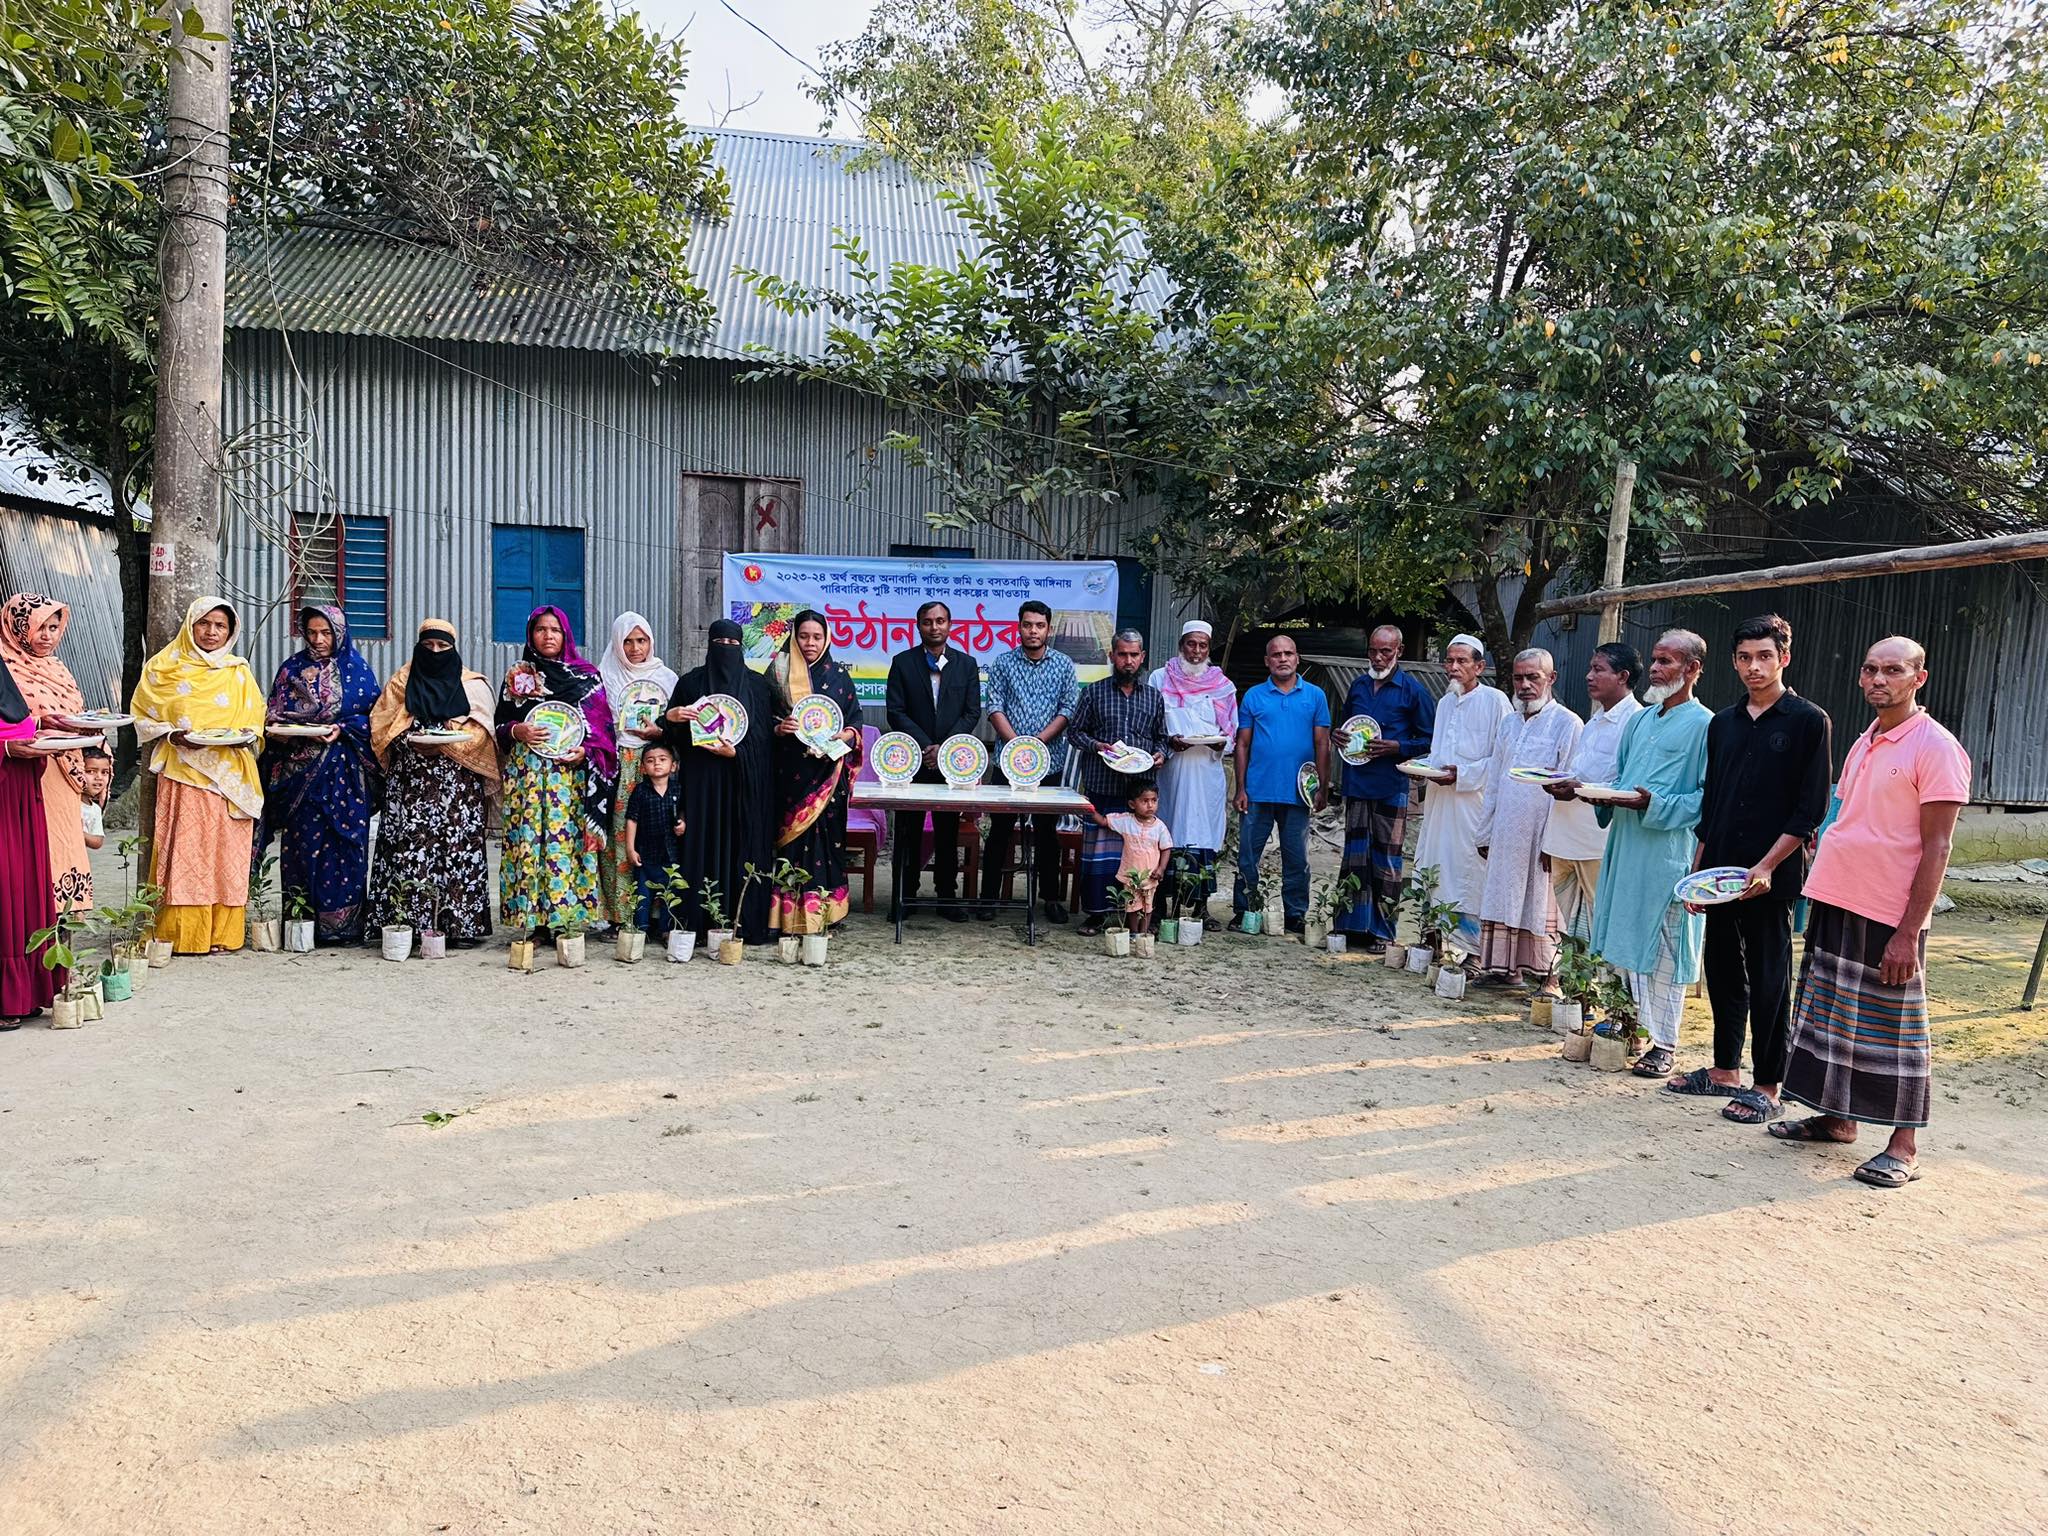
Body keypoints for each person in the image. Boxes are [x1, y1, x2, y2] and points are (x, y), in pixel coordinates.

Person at [1772, 636, 1969, 1190]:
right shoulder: (1867, 738)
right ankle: (1837, 1119)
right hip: (1837, 897)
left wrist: (1909, 931)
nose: (1879, 679)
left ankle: (1904, 1146)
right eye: (1870, 669)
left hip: (1888, 913)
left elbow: (1938, 847)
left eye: (1893, 670)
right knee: (1832, 1017)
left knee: (1895, 1028)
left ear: (1918, 678)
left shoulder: (1936, 747)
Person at [1674, 614, 1831, 1127]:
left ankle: (1768, 1084)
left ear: (1784, 657)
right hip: (1721, 873)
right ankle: (1724, 1070)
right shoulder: (1723, 723)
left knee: (1769, 979)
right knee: (1721, 970)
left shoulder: (1808, 721)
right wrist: (1698, 869)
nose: (1754, 667)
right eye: (1744, 658)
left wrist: (1765, 866)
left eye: (1764, 656)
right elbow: (1713, 802)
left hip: (1772, 875)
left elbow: (1810, 809)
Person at [1570, 631, 1712, 1079]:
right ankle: (1626, 1024)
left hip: (1668, 854)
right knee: (1620, 937)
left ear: (1692, 669)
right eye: (1654, 659)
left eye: (1666, 661)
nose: (1654, 668)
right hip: (1625, 847)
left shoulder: (1706, 725)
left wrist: (1656, 804)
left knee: (1664, 948)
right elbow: (1623, 779)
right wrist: (1598, 796)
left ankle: (1664, 1044)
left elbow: (1707, 799)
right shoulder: (1640, 721)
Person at [130, 598, 266, 954]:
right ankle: (181, 935)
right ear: (190, 626)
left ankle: (223, 934)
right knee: (186, 853)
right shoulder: (163, 668)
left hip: (229, 777)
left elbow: (255, 719)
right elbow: (142, 713)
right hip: (184, 774)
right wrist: (170, 734)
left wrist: (248, 735)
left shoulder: (238, 672)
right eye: (203, 623)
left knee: (225, 854)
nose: (211, 632)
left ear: (230, 631)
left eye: (220, 625)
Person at [254, 604, 383, 945]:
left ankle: (343, 928)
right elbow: (273, 716)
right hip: (300, 776)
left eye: (326, 633)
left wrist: (342, 728)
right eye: (311, 632)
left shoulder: (357, 669)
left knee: (345, 846)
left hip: (345, 775)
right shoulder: (291, 669)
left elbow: (375, 719)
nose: (318, 639)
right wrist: (283, 731)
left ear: (339, 633)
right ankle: (301, 924)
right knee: (302, 845)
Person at [366, 620, 498, 946]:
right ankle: (407, 924)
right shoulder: (401, 682)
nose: (435, 652)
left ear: (453, 648)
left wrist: (446, 743)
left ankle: (460, 927)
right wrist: (410, 740)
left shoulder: (472, 685)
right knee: (410, 852)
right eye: (428, 647)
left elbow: (483, 732)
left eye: (442, 646)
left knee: (458, 851)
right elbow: (381, 726)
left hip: (458, 790)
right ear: (418, 647)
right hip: (410, 788)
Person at [495, 607, 618, 941]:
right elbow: (499, 724)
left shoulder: (587, 677)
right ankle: (534, 923)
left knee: (564, 846)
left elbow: (604, 732)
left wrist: (586, 752)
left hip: (569, 779)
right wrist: (517, 730)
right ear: (530, 634)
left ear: (566, 635)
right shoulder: (519, 675)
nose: (548, 636)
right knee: (529, 843)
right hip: (528, 778)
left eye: (555, 630)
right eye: (541, 629)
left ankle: (565, 920)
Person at [663, 619, 777, 943]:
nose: (725, 649)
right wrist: (671, 717)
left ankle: (741, 922)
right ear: (709, 645)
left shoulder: (757, 686)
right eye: (719, 643)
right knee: (702, 844)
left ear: (741, 648)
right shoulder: (691, 683)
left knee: (741, 845)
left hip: (743, 783)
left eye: (732, 644)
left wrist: (736, 753)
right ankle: (699, 924)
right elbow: (675, 735)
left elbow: (764, 741)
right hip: (702, 782)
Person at [1472, 649, 1581, 987]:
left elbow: (1569, 786)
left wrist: (1555, 841)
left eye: (1533, 677)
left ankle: (1551, 980)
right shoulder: (1509, 723)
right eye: (1518, 678)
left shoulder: (1567, 723)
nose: (1525, 685)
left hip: (1542, 834)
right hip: (1506, 830)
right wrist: (1485, 832)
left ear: (1551, 678)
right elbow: (1494, 780)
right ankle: (1505, 971)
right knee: (1504, 897)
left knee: (1543, 903)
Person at [1335, 625, 1436, 953]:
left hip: (1391, 785)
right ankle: (1351, 925)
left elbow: (1429, 740)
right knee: (1354, 857)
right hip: (1357, 782)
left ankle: (1383, 931)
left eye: (1386, 652)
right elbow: (1346, 726)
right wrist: (1339, 736)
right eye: (1373, 651)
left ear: (1399, 652)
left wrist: (1397, 747)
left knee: (1387, 860)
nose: (1378, 658)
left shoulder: (1413, 691)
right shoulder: (1358, 685)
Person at [979, 599, 1081, 924]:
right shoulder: (1003, 663)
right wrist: (1017, 746)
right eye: (1027, 625)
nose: (1033, 631)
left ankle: (1050, 899)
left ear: (1048, 629)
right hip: (1007, 763)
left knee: (1047, 833)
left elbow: (1068, 708)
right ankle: (989, 898)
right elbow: (994, 706)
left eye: (1039, 625)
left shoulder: (1063, 665)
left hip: (1048, 762)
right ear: (1019, 627)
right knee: (999, 831)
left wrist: (1036, 744)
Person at [1409, 635, 1510, 951]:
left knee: (1468, 873)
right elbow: (1438, 754)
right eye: (1449, 661)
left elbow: (1503, 758)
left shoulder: (1495, 701)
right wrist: (1422, 767)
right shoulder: (1445, 703)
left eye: (1461, 661)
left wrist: (1462, 774)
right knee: (1435, 864)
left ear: (1479, 666)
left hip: (1473, 806)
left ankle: (1472, 951)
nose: (1453, 667)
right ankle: (1435, 941)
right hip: (1440, 804)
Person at [883, 600, 982, 922]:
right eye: (928, 621)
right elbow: (896, 711)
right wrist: (927, 747)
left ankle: (947, 897)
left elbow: (972, 712)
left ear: (950, 625)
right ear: (918, 626)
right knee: (908, 831)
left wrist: (945, 750)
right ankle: (904, 896)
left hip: (951, 765)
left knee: (947, 833)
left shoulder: (966, 664)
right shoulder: (902, 662)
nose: (934, 627)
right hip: (912, 762)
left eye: (940, 621)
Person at [767, 609, 865, 932]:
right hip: (791, 775)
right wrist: (778, 728)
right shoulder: (777, 673)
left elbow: (855, 720)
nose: (810, 643)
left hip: (828, 776)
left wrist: (847, 735)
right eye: (804, 636)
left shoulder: (839, 676)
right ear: (794, 637)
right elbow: (763, 717)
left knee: (829, 843)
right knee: (791, 844)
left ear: (827, 639)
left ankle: (826, 914)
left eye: (817, 637)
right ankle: (787, 917)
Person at [1540, 643, 1642, 944]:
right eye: (1590, 668)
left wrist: (1577, 788)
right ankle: (1573, 975)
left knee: (1600, 924)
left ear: (1623, 676)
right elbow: (1582, 773)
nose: (1589, 676)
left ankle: (1595, 977)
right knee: (1568, 928)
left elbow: (1627, 785)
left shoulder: (1636, 721)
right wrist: (1560, 781)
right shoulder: (1595, 720)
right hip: (1566, 837)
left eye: (1598, 670)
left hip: (1597, 843)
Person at [1230, 633, 1331, 936]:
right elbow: (1242, 744)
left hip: (1299, 792)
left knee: (1296, 858)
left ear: (1297, 658)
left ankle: (1295, 914)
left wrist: (1322, 787)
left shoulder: (1315, 696)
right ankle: (1245, 910)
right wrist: (1240, 788)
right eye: (1276, 654)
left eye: (1288, 653)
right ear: (1267, 661)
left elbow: (1322, 743)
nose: (1283, 659)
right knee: (1248, 855)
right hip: (1258, 791)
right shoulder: (1253, 696)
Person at [1069, 629, 1168, 936]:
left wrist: (1160, 754)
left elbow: (1161, 738)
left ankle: (1139, 916)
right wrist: (1097, 746)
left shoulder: (1153, 697)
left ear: (1143, 657)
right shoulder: (1094, 693)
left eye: (1134, 655)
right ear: (1112, 656)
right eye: (1122, 654)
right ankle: (1097, 915)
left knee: (1141, 855)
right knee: (1100, 856)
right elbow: (1075, 733)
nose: (1128, 661)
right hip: (1102, 784)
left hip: (1140, 791)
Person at [1, 592, 96, 909]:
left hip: (66, 766)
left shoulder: (57, 668)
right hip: (26, 769)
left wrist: (86, 728)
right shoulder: (6, 666)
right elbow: (9, 720)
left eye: (53, 628)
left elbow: (73, 713)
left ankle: (67, 916)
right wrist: (40, 722)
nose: (47, 636)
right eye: (38, 627)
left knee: (66, 838)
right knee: (38, 844)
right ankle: (40, 915)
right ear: (17, 627)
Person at [1150, 620, 1238, 922]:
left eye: (1203, 645)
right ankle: (1162, 904)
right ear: (1181, 645)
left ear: (1209, 648)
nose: (1196, 651)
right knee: (1167, 832)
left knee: (1203, 835)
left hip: (1206, 774)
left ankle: (1201, 907)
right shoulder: (1160, 678)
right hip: (1171, 774)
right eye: (1191, 643)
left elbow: (1232, 732)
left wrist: (1219, 744)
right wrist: (1169, 741)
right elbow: (1151, 723)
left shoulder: (1223, 685)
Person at [598, 611, 679, 934]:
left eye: (641, 640)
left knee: (660, 837)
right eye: (628, 641)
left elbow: (679, 728)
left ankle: (659, 915)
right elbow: (596, 725)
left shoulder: (667, 678)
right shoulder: (605, 676)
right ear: (617, 643)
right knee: (620, 838)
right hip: (620, 764)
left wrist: (660, 733)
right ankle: (621, 916)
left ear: (651, 641)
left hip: (657, 766)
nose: (635, 648)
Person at [1, 648, 64, 1026]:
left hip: (19, 792)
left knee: (23, 887)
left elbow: (12, 719)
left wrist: (39, 725)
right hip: (5, 791)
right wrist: (6, 747)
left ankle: (25, 994)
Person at [1080, 781, 1172, 935]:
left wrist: (1161, 868)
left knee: (1148, 906)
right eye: (1145, 801)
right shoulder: (1126, 821)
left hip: (1150, 876)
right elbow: (1103, 821)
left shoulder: (1160, 827)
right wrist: (1089, 809)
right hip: (1130, 875)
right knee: (1132, 905)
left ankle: (1144, 933)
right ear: (1132, 804)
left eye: (1154, 800)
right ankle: (1134, 933)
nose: (1150, 805)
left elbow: (1166, 848)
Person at [624, 741, 686, 939]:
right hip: (645, 854)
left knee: (671, 893)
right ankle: (640, 930)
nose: (657, 764)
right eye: (650, 761)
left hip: (671, 854)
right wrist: (630, 848)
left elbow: (683, 812)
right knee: (642, 895)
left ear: (673, 766)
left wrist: (682, 823)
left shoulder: (678, 789)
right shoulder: (640, 791)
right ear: (643, 767)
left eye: (662, 759)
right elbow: (631, 819)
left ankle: (667, 930)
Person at [79, 744, 111, 851]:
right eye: (90, 771)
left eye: (104, 772)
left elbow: (98, 841)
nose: (99, 777)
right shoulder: (67, 802)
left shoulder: (95, 809)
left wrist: (79, 833)